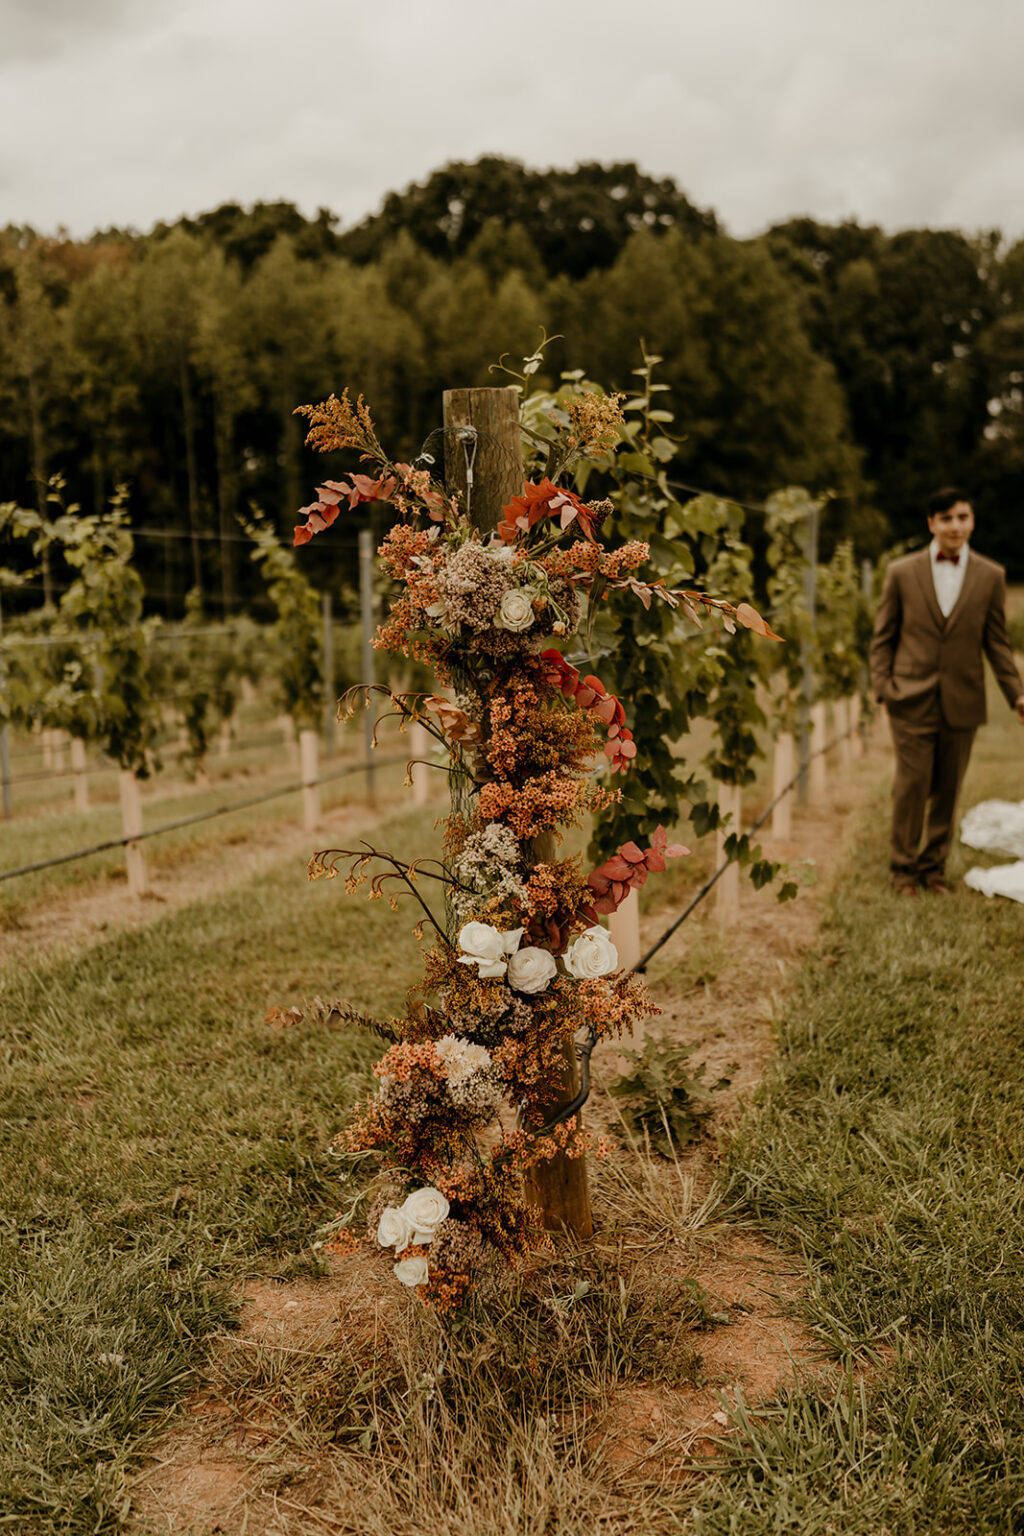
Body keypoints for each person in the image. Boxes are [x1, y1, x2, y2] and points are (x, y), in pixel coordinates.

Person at [869, 487, 1024, 896]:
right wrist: (884, 688)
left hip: (963, 700)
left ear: (971, 521)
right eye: (946, 518)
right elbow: (883, 636)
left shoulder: (991, 576)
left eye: (962, 517)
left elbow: (997, 643)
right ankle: (902, 871)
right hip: (910, 698)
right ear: (931, 523)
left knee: (949, 789)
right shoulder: (902, 572)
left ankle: (932, 869)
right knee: (912, 784)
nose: (955, 526)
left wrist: (1016, 694)